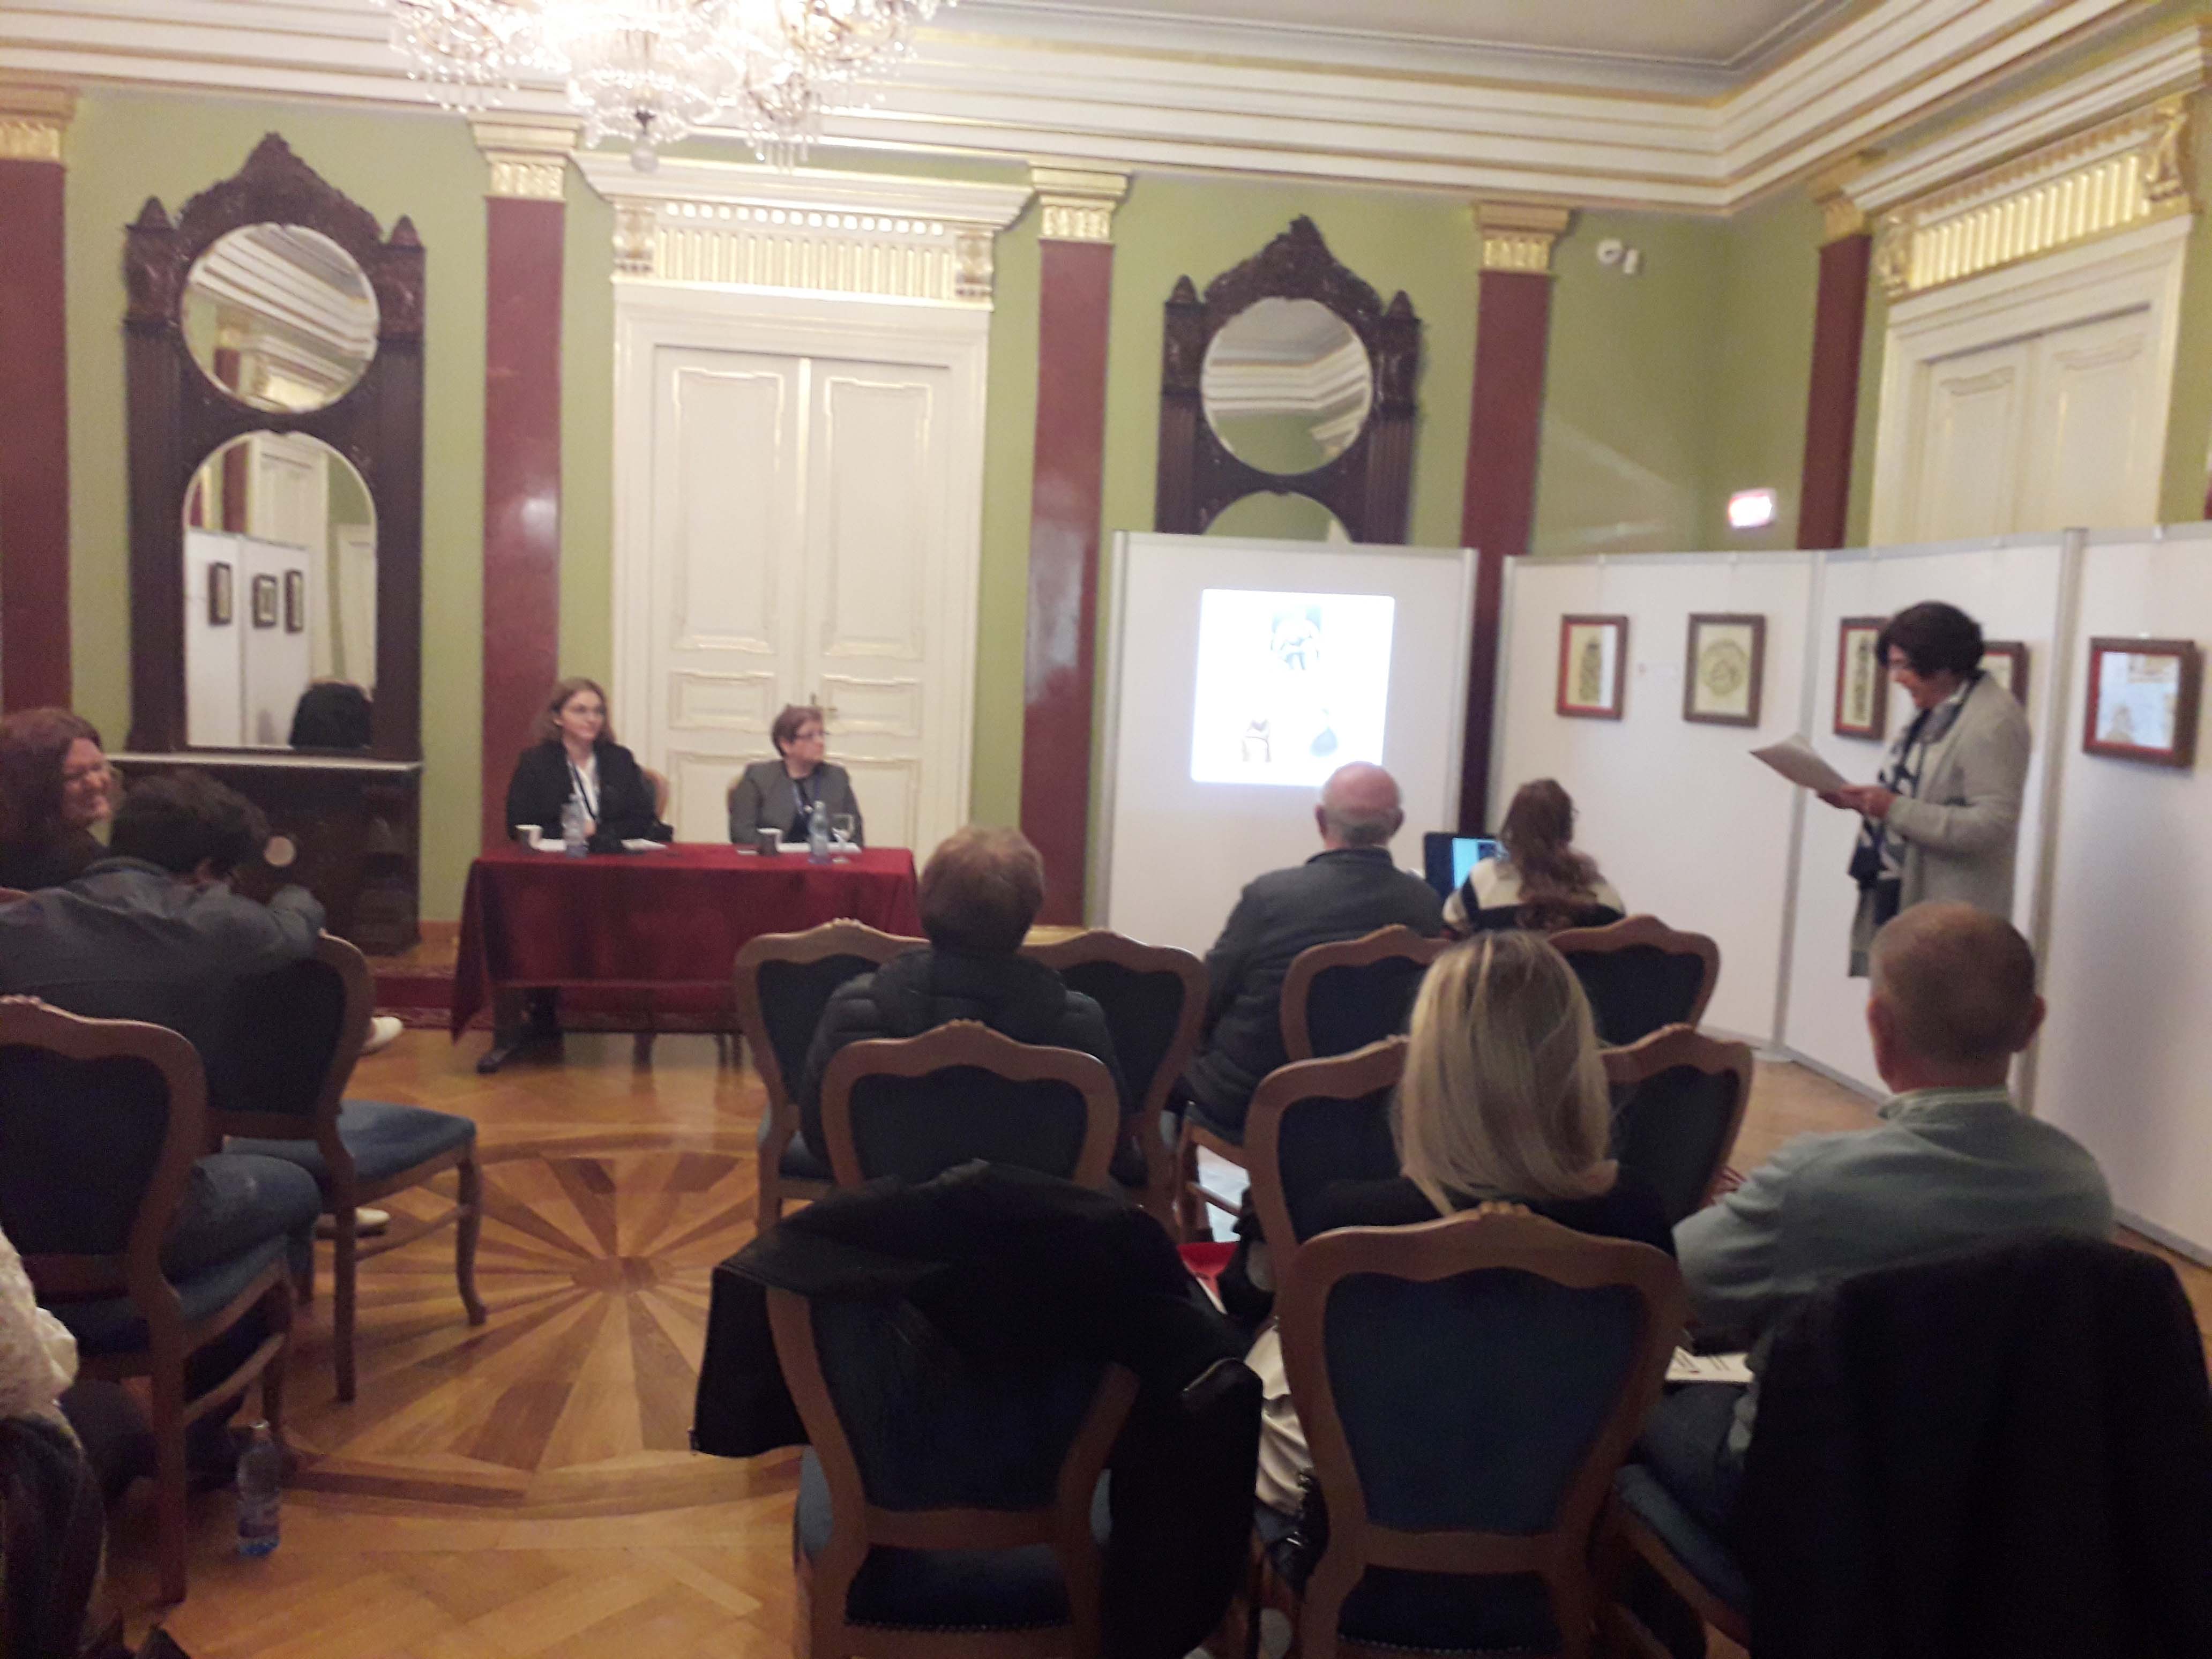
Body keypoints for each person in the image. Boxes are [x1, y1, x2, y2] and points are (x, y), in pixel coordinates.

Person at [1638, 904, 2112, 1542]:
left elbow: (1657, 1287)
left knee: (1643, 1380)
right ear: (2034, 1022)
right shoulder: (2082, 1187)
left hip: (1806, 1499)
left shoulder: (1813, 1185)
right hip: (1995, 1498)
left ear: (1877, 1024)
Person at [1249, 931, 1674, 1518]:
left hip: (1371, 1524)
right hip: (1558, 1519)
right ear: (1578, 1061)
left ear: (1429, 1066)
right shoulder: (1638, 1216)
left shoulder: (1351, 1225)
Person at [0, 772, 327, 1476]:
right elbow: (294, 931)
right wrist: (295, 892)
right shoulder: (214, 923)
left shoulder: (16, 926)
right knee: (294, 1189)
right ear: (208, 870)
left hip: (11, 1232)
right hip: (147, 1227)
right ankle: (204, 1440)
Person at [795, 825, 1136, 1180]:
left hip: (883, 1214)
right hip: (1040, 1216)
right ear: (1030, 913)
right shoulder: (1080, 1025)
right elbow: (1112, 1144)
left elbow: (821, 1139)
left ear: (924, 903)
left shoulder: (850, 1011)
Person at [1182, 763, 1443, 1135]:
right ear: (1397, 824)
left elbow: (1207, 997)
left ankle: (1152, 1166)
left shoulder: (1270, 897)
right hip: (1379, 1106)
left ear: (1320, 819)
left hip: (1262, 1099)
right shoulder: (1425, 904)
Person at [1820, 601, 2029, 975]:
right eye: (1893, 666)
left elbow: (1993, 824)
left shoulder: (1992, 722)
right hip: (1911, 906)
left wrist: (1893, 808)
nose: (1896, 678)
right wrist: (1864, 802)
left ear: (1944, 663)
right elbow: (1915, 794)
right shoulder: (1936, 710)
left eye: (1904, 666)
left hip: (1954, 925)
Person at [504, 676, 672, 847]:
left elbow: (643, 822)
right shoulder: (536, 762)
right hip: (558, 857)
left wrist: (596, 830)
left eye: (598, 712)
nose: (592, 719)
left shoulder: (619, 759)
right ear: (557, 718)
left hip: (612, 855)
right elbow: (519, 826)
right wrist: (576, 830)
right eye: (580, 711)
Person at [1445, 777, 1625, 935]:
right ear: (1568, 830)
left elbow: (1449, 933)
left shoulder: (1484, 880)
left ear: (1513, 828)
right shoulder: (1603, 894)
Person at [0, 708, 115, 892]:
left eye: (98, 767)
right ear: (34, 787)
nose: (95, 783)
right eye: (74, 776)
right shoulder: (84, 864)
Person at [728, 704, 863, 847]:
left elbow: (854, 835)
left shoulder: (837, 777)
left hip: (826, 859)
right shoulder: (758, 777)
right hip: (772, 859)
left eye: (822, 734)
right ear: (786, 745)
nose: (820, 742)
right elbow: (742, 834)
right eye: (810, 736)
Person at [288, 679, 373, 750]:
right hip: (351, 757)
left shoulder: (308, 698)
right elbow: (370, 738)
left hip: (309, 756)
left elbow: (294, 740)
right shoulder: (357, 700)